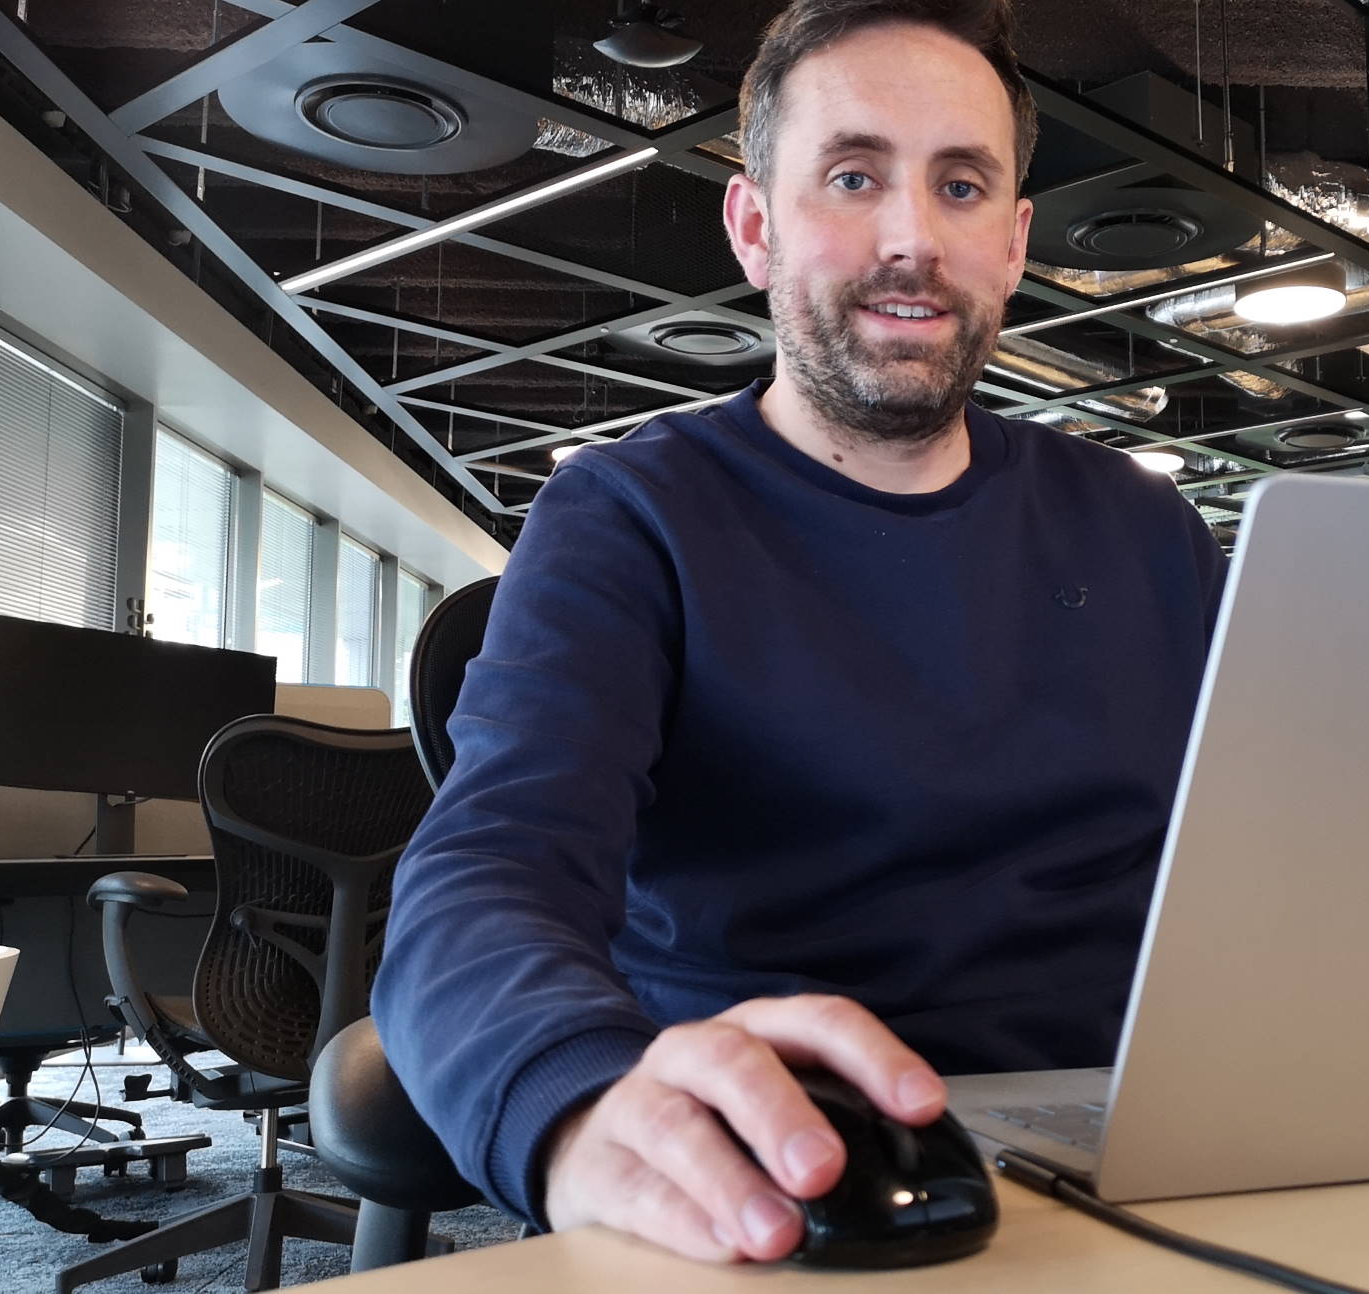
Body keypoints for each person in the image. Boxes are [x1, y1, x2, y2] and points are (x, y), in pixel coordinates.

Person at [372, 0, 1227, 1265]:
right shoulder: (628, 514)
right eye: (851, 176)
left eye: (959, 186)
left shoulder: (1146, 528)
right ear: (753, 226)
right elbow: (488, 869)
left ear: (1011, 244)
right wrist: (577, 1103)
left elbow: (1282, 865)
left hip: (1153, 1158)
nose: (911, 238)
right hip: (785, 1168)